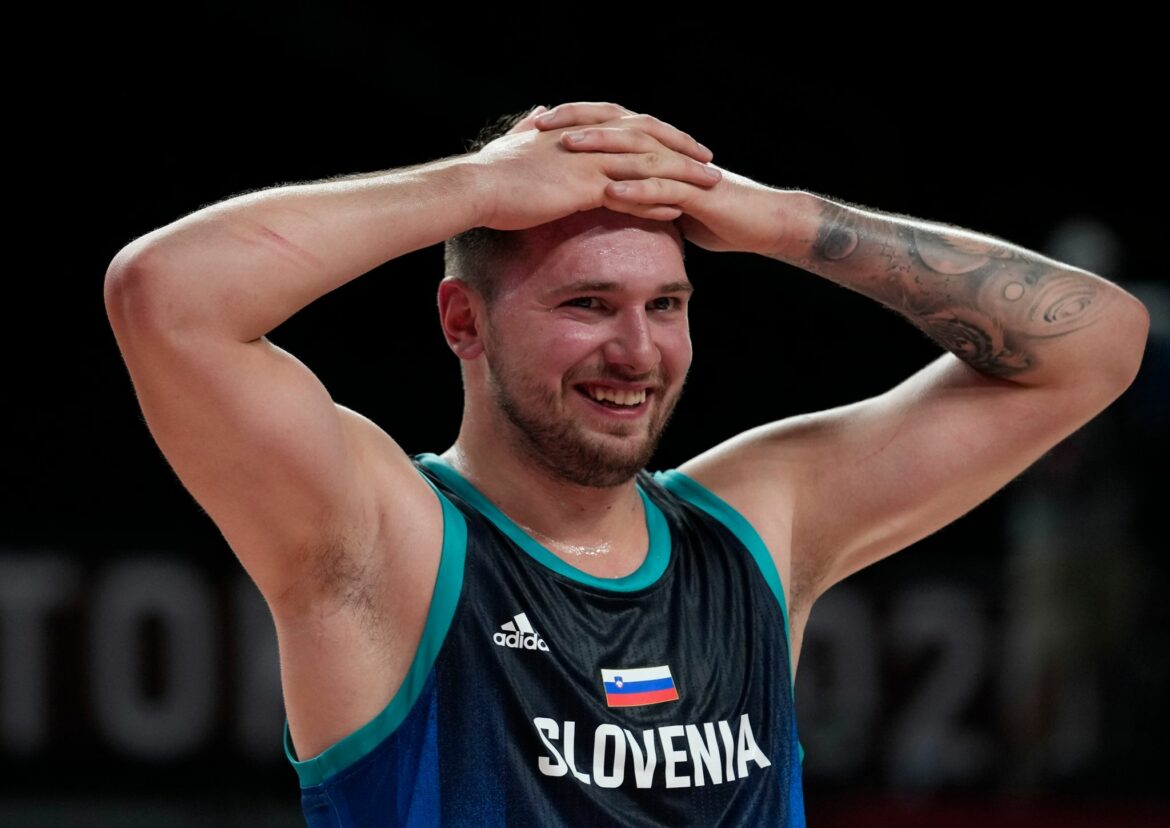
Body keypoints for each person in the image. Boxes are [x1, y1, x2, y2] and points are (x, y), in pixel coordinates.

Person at [103, 101, 1149, 826]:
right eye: (587, 304)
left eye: (668, 305)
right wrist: (475, 188)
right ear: (464, 321)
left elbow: (1096, 343)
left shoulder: (756, 526)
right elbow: (169, 298)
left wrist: (780, 219)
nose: (637, 351)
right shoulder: (388, 544)